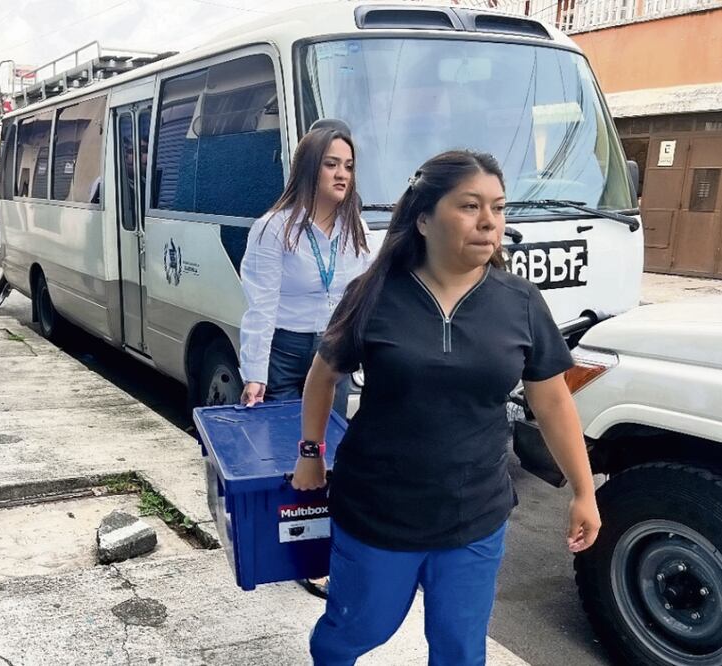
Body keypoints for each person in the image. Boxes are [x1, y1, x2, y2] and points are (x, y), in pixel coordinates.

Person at [292, 150, 601, 665]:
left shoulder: (519, 302)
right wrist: (310, 453)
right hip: (377, 510)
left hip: (473, 515)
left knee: (459, 649)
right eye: (469, 206)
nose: (489, 223)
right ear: (423, 219)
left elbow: (552, 402)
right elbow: (323, 377)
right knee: (354, 631)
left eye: (498, 209)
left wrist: (585, 491)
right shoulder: (373, 294)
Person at [238, 124, 372, 417]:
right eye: (331, 164)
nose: (342, 174)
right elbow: (261, 306)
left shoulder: (355, 227)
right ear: (309, 168)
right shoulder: (273, 228)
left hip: (334, 349)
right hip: (284, 352)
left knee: (327, 442)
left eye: (348, 167)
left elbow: (367, 295)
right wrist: (255, 374)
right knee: (283, 444)